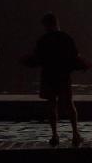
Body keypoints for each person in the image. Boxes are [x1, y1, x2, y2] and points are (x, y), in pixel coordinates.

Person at [24, 13, 86, 147]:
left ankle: (54, 135)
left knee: (51, 105)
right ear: (57, 23)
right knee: (69, 104)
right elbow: (75, 56)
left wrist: (27, 60)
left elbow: (37, 58)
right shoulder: (65, 37)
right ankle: (75, 134)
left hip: (48, 76)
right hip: (63, 75)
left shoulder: (43, 40)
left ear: (46, 25)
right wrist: (83, 64)